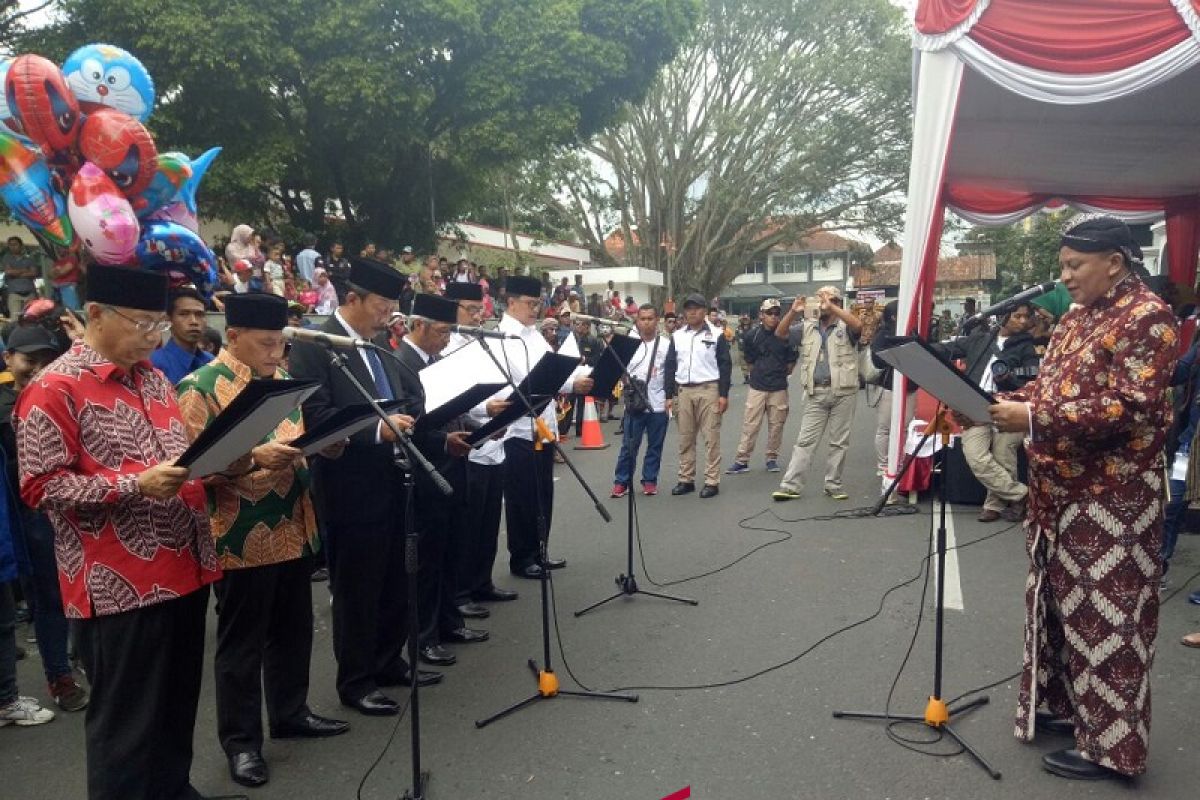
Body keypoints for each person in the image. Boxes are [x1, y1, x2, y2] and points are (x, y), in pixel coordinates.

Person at [15, 264, 223, 800]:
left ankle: (172, 789)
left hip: (184, 567)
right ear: (95, 315)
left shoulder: (153, 378)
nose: (154, 339)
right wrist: (134, 485)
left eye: (160, 327)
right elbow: (41, 488)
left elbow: (172, 459)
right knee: (125, 727)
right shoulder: (52, 389)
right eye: (144, 326)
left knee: (176, 708)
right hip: (119, 584)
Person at [988, 215, 1178, 781]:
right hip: (1059, 491)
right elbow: (1053, 388)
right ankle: (1077, 714)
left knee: (1110, 620)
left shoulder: (1149, 316)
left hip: (1113, 495)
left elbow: (1133, 406)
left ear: (1114, 262)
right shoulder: (1076, 317)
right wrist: (999, 401)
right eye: (1063, 265)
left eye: (1075, 265)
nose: (1065, 276)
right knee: (1063, 611)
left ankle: (1114, 750)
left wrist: (1034, 416)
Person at [177, 294, 348, 788]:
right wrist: (254, 458)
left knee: (293, 630)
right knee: (242, 645)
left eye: (281, 345)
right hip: (238, 535)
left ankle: (291, 712)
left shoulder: (279, 385)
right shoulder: (200, 388)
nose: (277, 353)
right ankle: (242, 743)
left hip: (295, 525)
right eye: (267, 344)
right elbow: (190, 471)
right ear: (233, 336)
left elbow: (297, 445)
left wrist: (324, 445)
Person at [288, 257, 439, 719]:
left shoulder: (378, 346)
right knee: (357, 589)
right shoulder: (317, 346)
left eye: (394, 305)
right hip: (351, 487)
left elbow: (399, 397)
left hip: (394, 482)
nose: (388, 313)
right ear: (352, 299)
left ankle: (388, 660)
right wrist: (376, 432)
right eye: (382, 304)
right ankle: (356, 680)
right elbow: (315, 417)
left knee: (396, 579)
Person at [391, 293, 484, 668]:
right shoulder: (401, 364)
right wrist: (443, 440)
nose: (447, 339)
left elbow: (452, 408)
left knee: (451, 550)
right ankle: (424, 636)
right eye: (442, 332)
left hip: (453, 464)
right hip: (425, 471)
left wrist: (478, 428)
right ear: (419, 326)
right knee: (427, 561)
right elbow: (411, 421)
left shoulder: (439, 360)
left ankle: (450, 621)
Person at [0, 326, 88, 714]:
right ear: (8, 359)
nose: (36, 368)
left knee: (69, 593)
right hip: (20, 514)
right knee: (37, 601)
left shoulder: (64, 393)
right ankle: (40, 683)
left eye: (45, 360)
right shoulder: (2, 403)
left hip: (61, 508)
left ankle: (72, 667)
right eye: (28, 360)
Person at [498, 275, 593, 579]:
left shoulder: (533, 335)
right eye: (530, 303)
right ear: (511, 301)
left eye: (538, 304)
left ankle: (540, 549)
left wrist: (574, 380)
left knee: (542, 495)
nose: (535, 309)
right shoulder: (503, 337)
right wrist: (566, 380)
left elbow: (550, 370)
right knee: (521, 497)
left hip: (544, 425)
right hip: (519, 429)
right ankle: (522, 556)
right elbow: (528, 377)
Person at [443, 283, 517, 607]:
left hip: (495, 442)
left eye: (479, 310)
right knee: (467, 527)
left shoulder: (485, 343)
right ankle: (460, 592)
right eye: (469, 309)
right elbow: (451, 400)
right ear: (452, 309)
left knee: (489, 523)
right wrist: (484, 412)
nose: (476, 316)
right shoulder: (447, 348)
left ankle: (482, 582)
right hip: (468, 445)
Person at [936, 299, 1040, 522]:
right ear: (1002, 316)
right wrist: (917, 344)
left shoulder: (1026, 347)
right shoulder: (979, 339)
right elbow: (945, 349)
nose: (1022, 321)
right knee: (975, 456)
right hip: (974, 406)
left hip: (1008, 406)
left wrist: (1008, 379)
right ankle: (1022, 495)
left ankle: (994, 505)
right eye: (1017, 316)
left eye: (1026, 317)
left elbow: (1032, 382)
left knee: (1004, 454)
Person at [772, 287, 862, 502]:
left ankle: (833, 484)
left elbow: (858, 325)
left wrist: (833, 308)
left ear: (838, 303)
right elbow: (780, 333)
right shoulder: (807, 327)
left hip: (843, 391)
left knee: (839, 442)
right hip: (815, 391)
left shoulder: (846, 325)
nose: (823, 303)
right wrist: (793, 311)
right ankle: (790, 485)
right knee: (804, 441)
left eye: (829, 300)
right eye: (820, 299)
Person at [663, 292, 732, 498]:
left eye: (697, 308)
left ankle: (712, 480)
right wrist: (668, 394)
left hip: (708, 389)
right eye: (688, 308)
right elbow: (670, 365)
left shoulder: (717, 334)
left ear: (704, 311)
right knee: (685, 438)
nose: (692, 312)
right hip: (683, 390)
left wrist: (724, 394)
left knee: (711, 437)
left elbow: (725, 365)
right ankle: (686, 479)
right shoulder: (677, 336)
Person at [727, 299, 796, 475]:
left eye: (776, 313)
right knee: (750, 425)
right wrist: (759, 372)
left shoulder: (787, 335)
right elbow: (749, 361)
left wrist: (778, 372)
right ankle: (742, 460)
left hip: (778, 386)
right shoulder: (752, 335)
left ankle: (771, 458)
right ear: (761, 315)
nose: (773, 317)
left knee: (777, 425)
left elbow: (791, 363)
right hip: (757, 386)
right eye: (769, 313)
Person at [612, 305, 670, 497]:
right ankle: (621, 481)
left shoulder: (666, 345)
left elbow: (671, 373)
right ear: (637, 321)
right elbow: (619, 369)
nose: (646, 322)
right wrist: (626, 383)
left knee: (655, 446)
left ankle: (650, 480)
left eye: (650, 318)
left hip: (658, 403)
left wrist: (670, 398)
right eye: (642, 318)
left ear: (657, 320)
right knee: (629, 447)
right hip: (634, 404)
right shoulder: (629, 344)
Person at [150, 287, 213, 384]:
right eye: (184, 314)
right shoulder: (154, 364)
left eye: (199, 314)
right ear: (168, 320)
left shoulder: (211, 361)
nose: (194, 321)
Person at [2, 237, 39, 321]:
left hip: (30, 293)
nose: (13, 246)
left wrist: (16, 273)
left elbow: (34, 273)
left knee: (31, 318)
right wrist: (25, 270)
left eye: (15, 244)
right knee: (15, 320)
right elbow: (8, 272)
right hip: (14, 293)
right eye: (10, 245)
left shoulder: (29, 259)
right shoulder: (7, 258)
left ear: (21, 245)